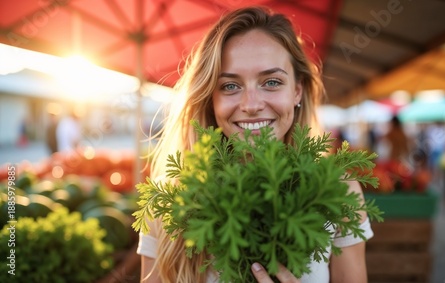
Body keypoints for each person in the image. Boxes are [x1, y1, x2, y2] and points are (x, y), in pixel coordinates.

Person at [137, 6, 373, 283]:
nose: (251, 105)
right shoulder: (170, 199)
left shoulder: (336, 191)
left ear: (297, 90)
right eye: (230, 86)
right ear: (210, 99)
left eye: (271, 82)